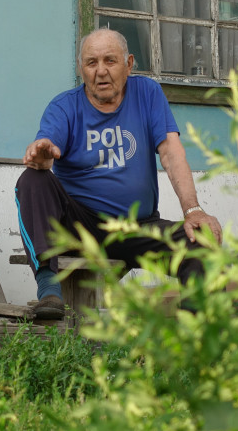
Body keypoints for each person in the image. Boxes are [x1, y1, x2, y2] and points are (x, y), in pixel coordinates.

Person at [15, 28, 222, 319]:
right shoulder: (64, 107)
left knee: (200, 240)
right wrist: (42, 155)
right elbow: (47, 146)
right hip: (80, 228)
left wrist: (193, 209)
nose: (101, 71)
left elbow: (171, 153)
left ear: (129, 64)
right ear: (81, 68)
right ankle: (48, 288)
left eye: (110, 61)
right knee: (31, 179)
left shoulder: (147, 93)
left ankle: (195, 330)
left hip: (138, 228)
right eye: (91, 63)